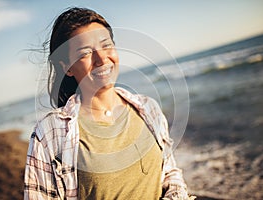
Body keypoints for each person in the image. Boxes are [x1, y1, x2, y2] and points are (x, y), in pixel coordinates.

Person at [24, 7, 195, 200]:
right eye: (85, 53)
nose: (101, 59)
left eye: (106, 46)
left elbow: (170, 173)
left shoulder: (148, 108)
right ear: (68, 68)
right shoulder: (49, 132)